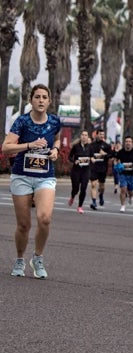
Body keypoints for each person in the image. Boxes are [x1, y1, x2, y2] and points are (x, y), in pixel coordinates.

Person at [2, 84, 61, 279]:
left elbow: (57, 139)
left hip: (45, 175)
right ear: (31, 100)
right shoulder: (22, 122)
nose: (41, 100)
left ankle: (37, 257)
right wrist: (29, 145)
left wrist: (56, 150)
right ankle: (20, 258)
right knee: (24, 225)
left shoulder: (54, 121)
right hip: (22, 176)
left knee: (44, 218)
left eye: (45, 97)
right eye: (37, 97)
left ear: (49, 101)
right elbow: (6, 147)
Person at [114, 136, 133, 212]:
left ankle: (131, 197)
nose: (128, 143)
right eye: (127, 141)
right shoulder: (121, 152)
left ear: (132, 143)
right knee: (123, 189)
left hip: (132, 175)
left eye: (129, 142)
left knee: (130, 190)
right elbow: (115, 160)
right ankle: (122, 205)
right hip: (123, 174)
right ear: (125, 143)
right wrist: (117, 166)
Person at [68, 129, 94, 214]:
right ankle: (72, 197)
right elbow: (70, 157)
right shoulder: (76, 147)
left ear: (88, 137)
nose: (84, 136)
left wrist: (92, 159)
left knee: (83, 188)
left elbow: (92, 156)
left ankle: (80, 206)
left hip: (86, 171)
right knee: (75, 188)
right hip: (76, 171)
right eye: (82, 135)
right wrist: (74, 161)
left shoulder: (90, 147)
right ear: (80, 136)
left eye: (86, 135)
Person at [89, 128, 112, 210]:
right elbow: (88, 154)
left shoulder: (106, 145)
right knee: (93, 184)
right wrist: (91, 158)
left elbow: (111, 156)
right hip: (94, 168)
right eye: (100, 134)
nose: (102, 136)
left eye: (103, 135)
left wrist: (104, 154)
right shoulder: (91, 145)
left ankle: (101, 195)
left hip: (103, 168)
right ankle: (94, 202)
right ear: (96, 135)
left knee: (101, 186)